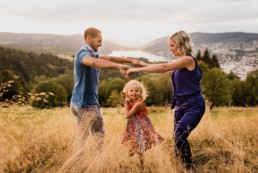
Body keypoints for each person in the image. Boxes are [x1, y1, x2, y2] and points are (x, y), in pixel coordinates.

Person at [127, 30, 206, 169]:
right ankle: (179, 165)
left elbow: (164, 67)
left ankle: (189, 167)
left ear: (181, 44)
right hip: (180, 106)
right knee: (177, 138)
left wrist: (138, 70)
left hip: (194, 105)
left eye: (172, 45)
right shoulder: (180, 62)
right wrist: (142, 64)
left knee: (179, 136)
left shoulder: (188, 60)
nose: (170, 48)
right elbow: (164, 67)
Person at [70, 27, 143, 153]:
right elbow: (93, 62)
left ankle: (77, 162)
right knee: (99, 134)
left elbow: (109, 59)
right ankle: (99, 162)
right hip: (87, 104)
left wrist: (129, 60)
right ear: (88, 39)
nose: (101, 43)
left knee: (83, 135)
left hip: (76, 103)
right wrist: (119, 66)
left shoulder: (92, 53)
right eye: (99, 40)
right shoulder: (83, 54)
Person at [120, 80, 165, 165]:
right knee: (135, 142)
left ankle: (142, 165)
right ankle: (134, 151)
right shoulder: (131, 102)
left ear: (141, 93)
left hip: (140, 126)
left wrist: (126, 104)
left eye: (137, 91)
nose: (134, 92)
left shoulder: (138, 104)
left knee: (140, 145)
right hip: (133, 125)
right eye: (131, 91)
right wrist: (125, 100)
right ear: (127, 93)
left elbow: (127, 115)